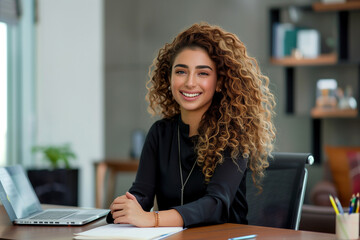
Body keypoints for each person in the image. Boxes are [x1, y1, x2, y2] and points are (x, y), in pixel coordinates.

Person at [107, 22, 276, 228]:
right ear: (168, 78)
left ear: (220, 81)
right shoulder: (160, 133)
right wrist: (127, 207)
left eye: (202, 73)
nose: (189, 82)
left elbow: (215, 205)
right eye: (181, 72)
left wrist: (152, 219)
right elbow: (142, 193)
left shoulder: (233, 137)